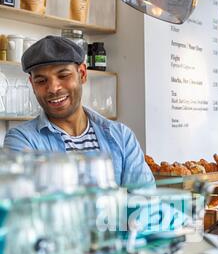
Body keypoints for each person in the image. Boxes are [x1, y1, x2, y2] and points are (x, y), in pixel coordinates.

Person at [3, 35, 154, 187]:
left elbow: (146, 203)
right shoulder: (22, 140)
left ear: (82, 74)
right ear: (32, 84)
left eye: (63, 75)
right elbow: (21, 205)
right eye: (41, 81)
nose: (54, 88)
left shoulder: (121, 136)